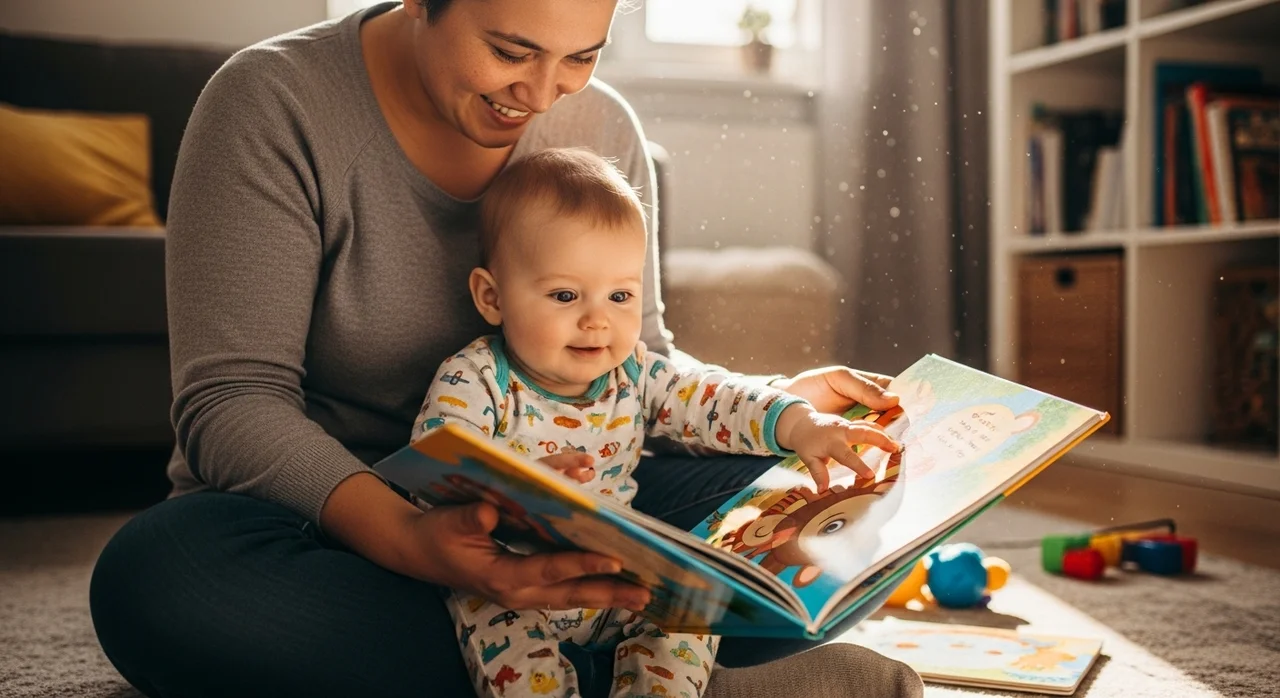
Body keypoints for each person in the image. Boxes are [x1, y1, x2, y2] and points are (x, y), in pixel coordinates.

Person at [87, 1, 925, 696]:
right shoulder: (271, 103)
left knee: (853, 508)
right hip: (330, 519)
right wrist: (410, 541)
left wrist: (780, 409)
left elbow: (641, 371)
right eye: (509, 50)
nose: (541, 92)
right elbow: (231, 401)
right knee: (158, 585)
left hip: (577, 501)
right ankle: (679, 673)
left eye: (580, 56)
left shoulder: (600, 125)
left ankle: (593, 657)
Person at [416, 148, 903, 698]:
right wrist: (514, 481)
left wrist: (798, 421)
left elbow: (714, 400)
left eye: (620, 295)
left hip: (614, 575)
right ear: (492, 296)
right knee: (523, 669)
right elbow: (436, 473)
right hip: (506, 583)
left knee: (690, 617)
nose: (597, 318)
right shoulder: (473, 378)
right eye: (565, 295)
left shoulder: (633, 372)